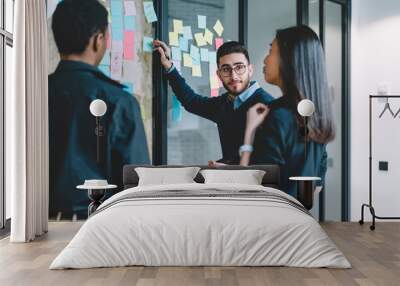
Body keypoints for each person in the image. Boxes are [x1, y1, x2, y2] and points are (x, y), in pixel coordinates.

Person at [49, 0, 149, 219]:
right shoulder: (120, 102)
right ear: (98, 40)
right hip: (100, 226)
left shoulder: (31, 95)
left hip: (34, 222)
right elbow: (137, 184)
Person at [239, 25, 335, 197]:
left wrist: (249, 133)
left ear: (289, 58)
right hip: (298, 215)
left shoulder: (277, 116)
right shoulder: (316, 116)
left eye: (270, 51)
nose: (265, 60)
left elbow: (252, 188)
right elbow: (316, 187)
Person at [154, 40, 274, 164]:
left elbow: (269, 163)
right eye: (226, 69)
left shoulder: (268, 106)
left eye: (239, 67)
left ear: (250, 69)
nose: (234, 76)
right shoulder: (225, 103)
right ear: (219, 75)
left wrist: (228, 167)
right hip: (232, 180)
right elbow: (192, 102)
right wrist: (169, 67)